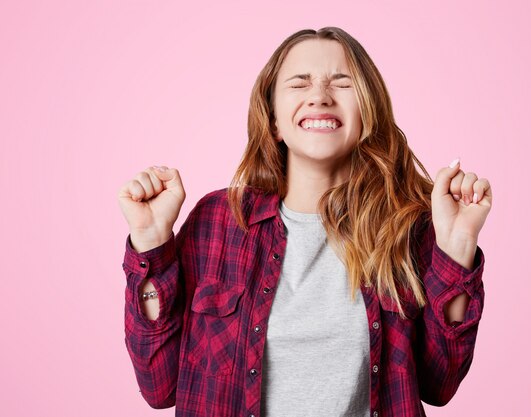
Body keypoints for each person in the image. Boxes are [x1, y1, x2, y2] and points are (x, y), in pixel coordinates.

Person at [118, 27, 492, 417]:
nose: (319, 96)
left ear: (368, 111)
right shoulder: (219, 222)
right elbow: (158, 387)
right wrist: (150, 243)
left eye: (341, 82)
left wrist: (457, 246)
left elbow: (440, 384)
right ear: (275, 120)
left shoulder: (406, 229)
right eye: (299, 84)